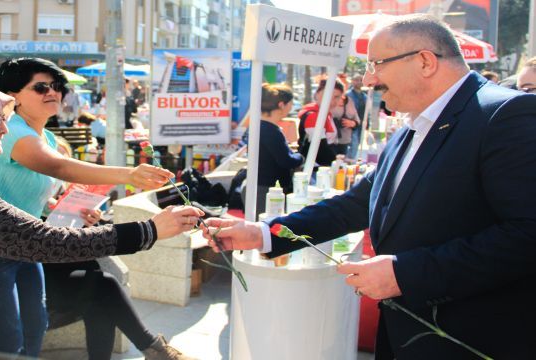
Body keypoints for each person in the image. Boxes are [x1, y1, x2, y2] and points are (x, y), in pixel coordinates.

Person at [202, 14, 536, 359]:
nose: (367, 79)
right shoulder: (414, 123)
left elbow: (528, 234)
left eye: (377, 64)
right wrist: (265, 233)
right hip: (407, 335)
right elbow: (357, 204)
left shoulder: (506, 116)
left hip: (473, 337)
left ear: (424, 61)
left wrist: (405, 275)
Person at [0, 80, 203, 360]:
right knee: (10, 340)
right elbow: (42, 241)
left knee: (38, 323)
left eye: (5, 119)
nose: (5, 129)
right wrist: (149, 230)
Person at [0, 58, 195, 360]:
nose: (52, 93)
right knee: (9, 338)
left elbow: (36, 196)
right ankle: (154, 348)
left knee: (35, 327)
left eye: (56, 87)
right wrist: (128, 175)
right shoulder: (11, 129)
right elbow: (57, 166)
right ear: (13, 96)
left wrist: (72, 210)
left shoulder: (49, 138)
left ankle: (149, 348)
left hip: (29, 248)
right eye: (40, 87)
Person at [255, 83, 304, 215]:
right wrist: (300, 157)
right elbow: (285, 160)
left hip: (262, 188)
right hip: (268, 190)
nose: (291, 108)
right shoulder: (271, 130)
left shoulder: (260, 126)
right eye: (290, 104)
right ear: (282, 105)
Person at [297, 79, 343, 166]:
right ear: (317, 94)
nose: (331, 100)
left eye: (336, 97)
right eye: (327, 95)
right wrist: (337, 163)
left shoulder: (325, 114)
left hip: (320, 165)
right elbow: (320, 148)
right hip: (314, 168)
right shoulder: (313, 116)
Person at [330, 83, 360, 158]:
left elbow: (357, 120)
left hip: (344, 140)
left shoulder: (349, 101)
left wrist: (352, 123)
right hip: (329, 141)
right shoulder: (327, 102)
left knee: (341, 165)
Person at [346, 74, 367, 160]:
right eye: (356, 80)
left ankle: (351, 160)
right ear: (352, 81)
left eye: (360, 80)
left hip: (361, 124)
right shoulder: (348, 95)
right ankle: (349, 160)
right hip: (351, 124)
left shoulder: (365, 96)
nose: (359, 82)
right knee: (353, 143)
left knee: (357, 143)